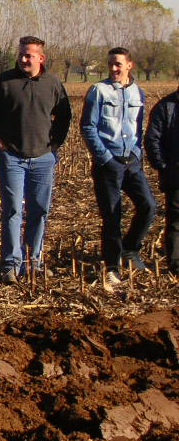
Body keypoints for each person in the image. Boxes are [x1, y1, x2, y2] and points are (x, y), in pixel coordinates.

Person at [0, 36, 71, 282]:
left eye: (29, 55)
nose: (24, 59)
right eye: (21, 54)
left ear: (41, 58)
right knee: (13, 210)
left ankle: (33, 261)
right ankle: (10, 264)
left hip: (42, 158)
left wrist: (54, 146)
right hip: (11, 158)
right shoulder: (3, 82)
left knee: (39, 210)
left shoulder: (52, 84)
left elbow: (64, 116)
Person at [80, 47, 156, 284]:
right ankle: (112, 266)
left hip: (131, 162)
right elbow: (88, 127)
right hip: (108, 163)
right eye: (110, 64)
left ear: (129, 66)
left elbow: (138, 128)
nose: (113, 68)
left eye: (118, 64)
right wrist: (104, 158)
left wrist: (137, 153)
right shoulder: (98, 91)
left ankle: (130, 250)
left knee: (148, 206)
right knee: (112, 215)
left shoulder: (138, 93)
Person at [146, 81, 179, 274]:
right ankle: (175, 264)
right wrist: (163, 167)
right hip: (175, 174)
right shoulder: (166, 106)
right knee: (175, 219)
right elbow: (152, 139)